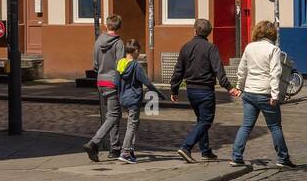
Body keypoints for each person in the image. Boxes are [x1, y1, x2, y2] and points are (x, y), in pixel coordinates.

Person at [170, 19, 237, 162]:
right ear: (209, 33)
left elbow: (178, 71)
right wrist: (229, 87)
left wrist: (174, 90)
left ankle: (205, 150)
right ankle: (186, 147)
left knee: (201, 119)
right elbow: (219, 70)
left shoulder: (185, 47)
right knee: (206, 120)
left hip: (191, 91)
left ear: (195, 30)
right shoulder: (210, 48)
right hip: (205, 90)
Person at [229, 21, 294, 169]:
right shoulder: (273, 49)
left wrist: (239, 87)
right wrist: (275, 95)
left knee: (246, 126)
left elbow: (242, 69)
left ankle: (236, 156)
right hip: (266, 93)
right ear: (273, 34)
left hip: (250, 92)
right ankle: (283, 158)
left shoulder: (249, 47)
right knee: (275, 126)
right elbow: (275, 73)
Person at [83, 14, 125, 162]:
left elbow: (95, 64)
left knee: (112, 115)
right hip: (113, 82)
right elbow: (121, 66)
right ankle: (94, 142)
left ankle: (115, 148)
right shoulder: (119, 43)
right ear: (119, 26)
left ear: (106, 26)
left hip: (100, 82)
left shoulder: (98, 41)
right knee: (113, 116)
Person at [116, 40, 161, 164]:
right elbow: (147, 82)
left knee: (134, 123)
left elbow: (116, 83)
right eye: (138, 51)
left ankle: (130, 150)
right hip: (133, 99)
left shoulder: (120, 63)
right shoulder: (137, 66)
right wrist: (159, 94)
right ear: (135, 50)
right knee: (132, 125)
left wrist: (120, 96)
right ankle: (125, 152)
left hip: (123, 98)